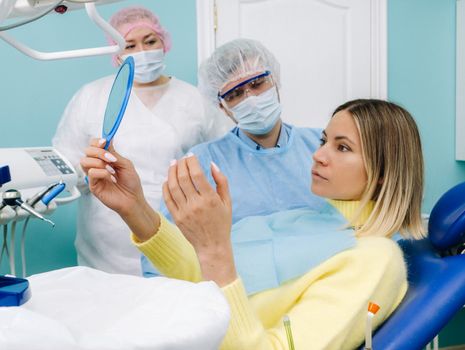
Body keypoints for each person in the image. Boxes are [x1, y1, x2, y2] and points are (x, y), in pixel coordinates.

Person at [80, 98, 425, 349]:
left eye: (343, 147)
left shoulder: (374, 260)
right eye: (323, 141)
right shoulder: (308, 220)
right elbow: (198, 274)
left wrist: (216, 248)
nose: (318, 154)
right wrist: (134, 206)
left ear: (382, 174)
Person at [52, 6, 227, 275]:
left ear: (163, 42)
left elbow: (219, 163)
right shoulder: (92, 97)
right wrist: (87, 172)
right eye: (129, 45)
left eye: (150, 41)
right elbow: (65, 164)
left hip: (178, 239)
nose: (142, 52)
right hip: (105, 248)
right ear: (116, 53)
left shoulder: (194, 100)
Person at [141, 38, 328, 276]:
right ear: (222, 106)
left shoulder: (322, 144)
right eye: (235, 94)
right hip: (246, 294)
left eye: (258, 83)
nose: (251, 98)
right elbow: (170, 244)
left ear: (275, 81)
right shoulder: (201, 163)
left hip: (325, 281)